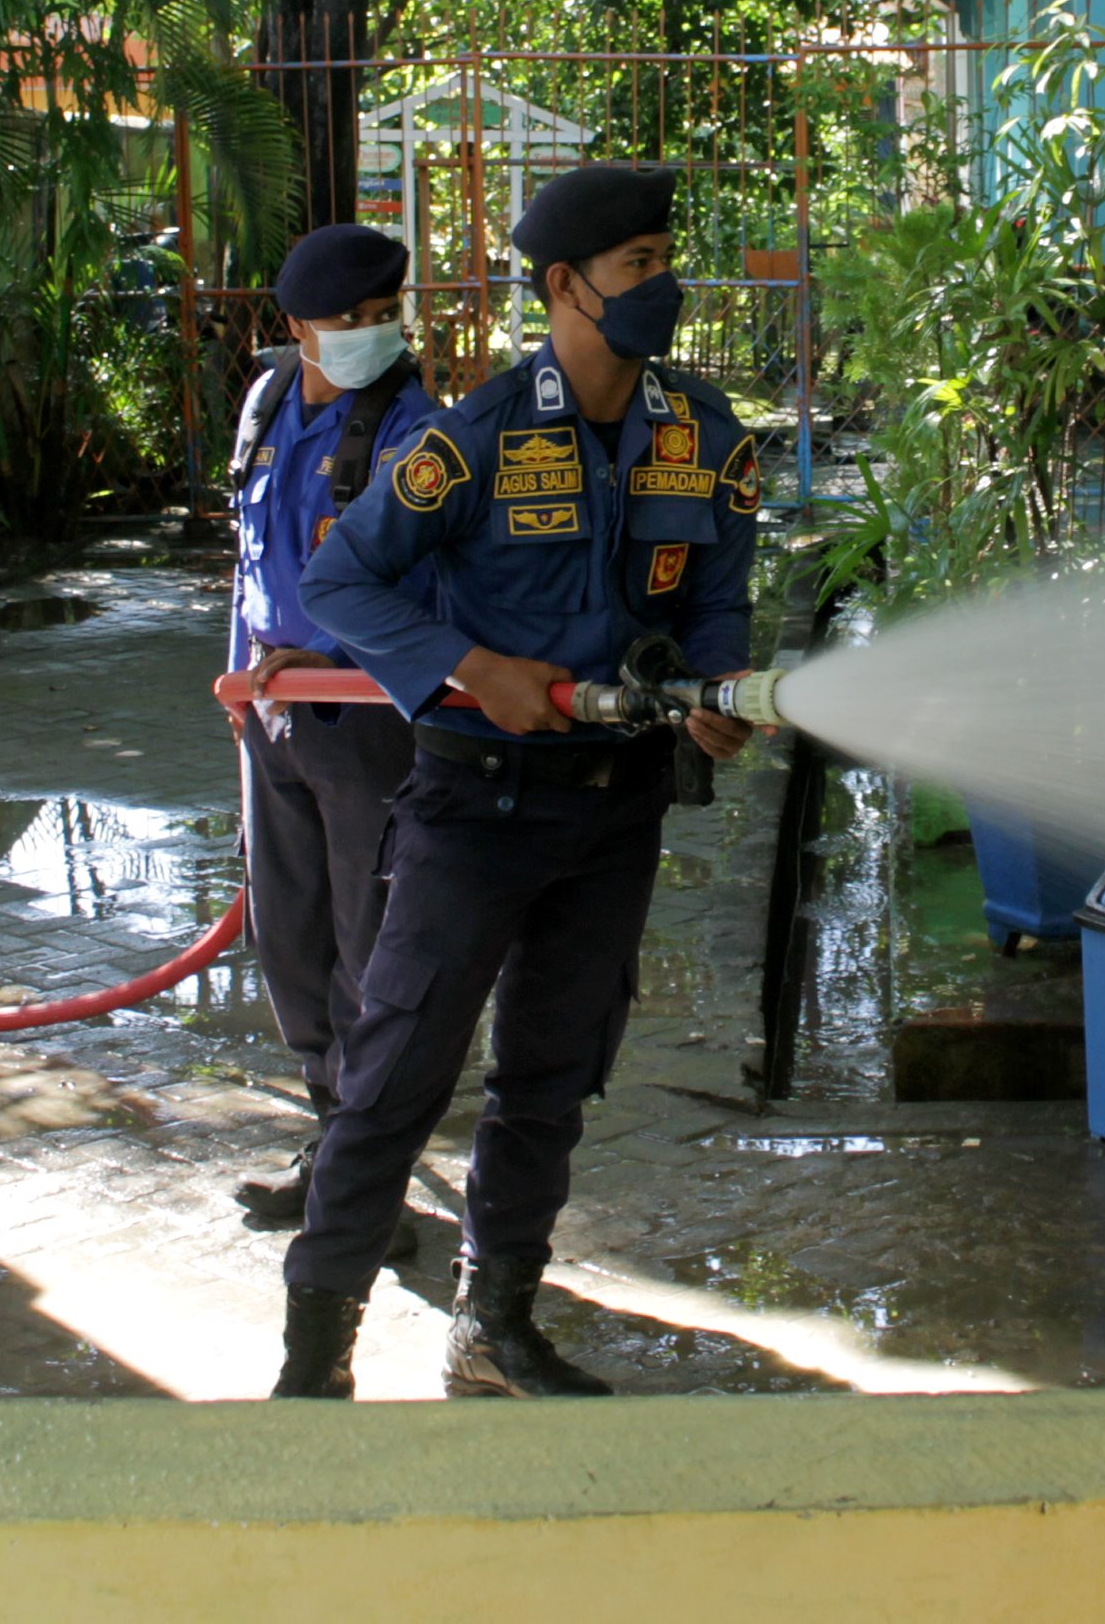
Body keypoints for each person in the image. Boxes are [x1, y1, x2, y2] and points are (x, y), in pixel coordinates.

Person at [268, 162, 765, 1400]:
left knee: (550, 1078)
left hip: (615, 809)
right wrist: (467, 665)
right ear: (564, 286)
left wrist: (714, 698)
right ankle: (311, 1362)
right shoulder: (472, 438)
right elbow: (341, 584)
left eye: (665, 259)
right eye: (640, 265)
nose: (667, 286)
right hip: (472, 807)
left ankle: (495, 1327)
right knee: (393, 1077)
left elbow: (717, 605)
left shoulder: (705, 439)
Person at [223, 223, 444, 1231]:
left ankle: (367, 1190)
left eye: (381, 315)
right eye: (346, 321)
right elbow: (252, 561)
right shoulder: (266, 408)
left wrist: (331, 659)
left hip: (365, 726)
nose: (370, 334)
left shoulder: (413, 433)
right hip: (269, 722)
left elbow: (430, 588)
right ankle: (331, 1148)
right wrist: (245, 678)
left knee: (370, 956)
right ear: (293, 327)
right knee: (291, 941)